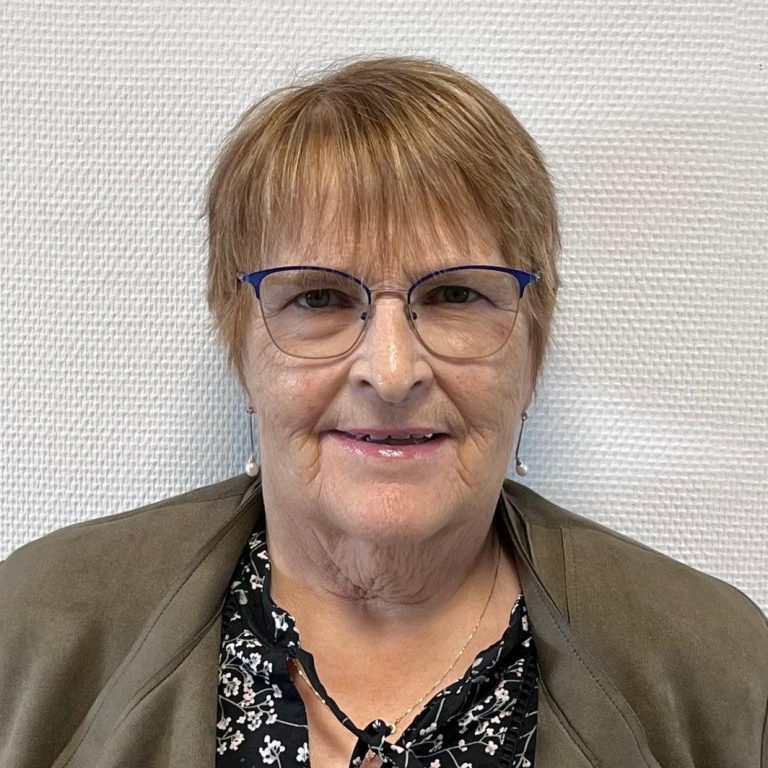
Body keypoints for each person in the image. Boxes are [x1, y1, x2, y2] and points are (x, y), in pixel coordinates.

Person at [1, 54, 766, 768]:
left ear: (533, 348)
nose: (392, 372)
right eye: (320, 298)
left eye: (456, 294)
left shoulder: (717, 666)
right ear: (240, 345)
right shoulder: (35, 633)